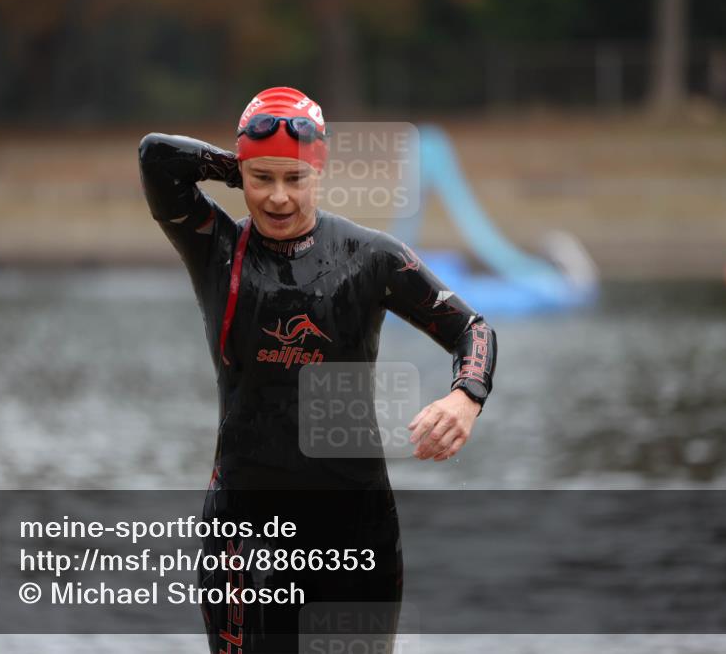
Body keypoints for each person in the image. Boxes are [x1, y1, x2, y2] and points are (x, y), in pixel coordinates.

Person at [139, 86, 496, 653]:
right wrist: (248, 163)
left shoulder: (371, 257)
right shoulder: (218, 251)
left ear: (319, 172)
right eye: (262, 180)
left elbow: (472, 328)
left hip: (355, 531)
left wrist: (465, 397)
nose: (278, 198)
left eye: (296, 179)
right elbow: (156, 156)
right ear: (242, 174)